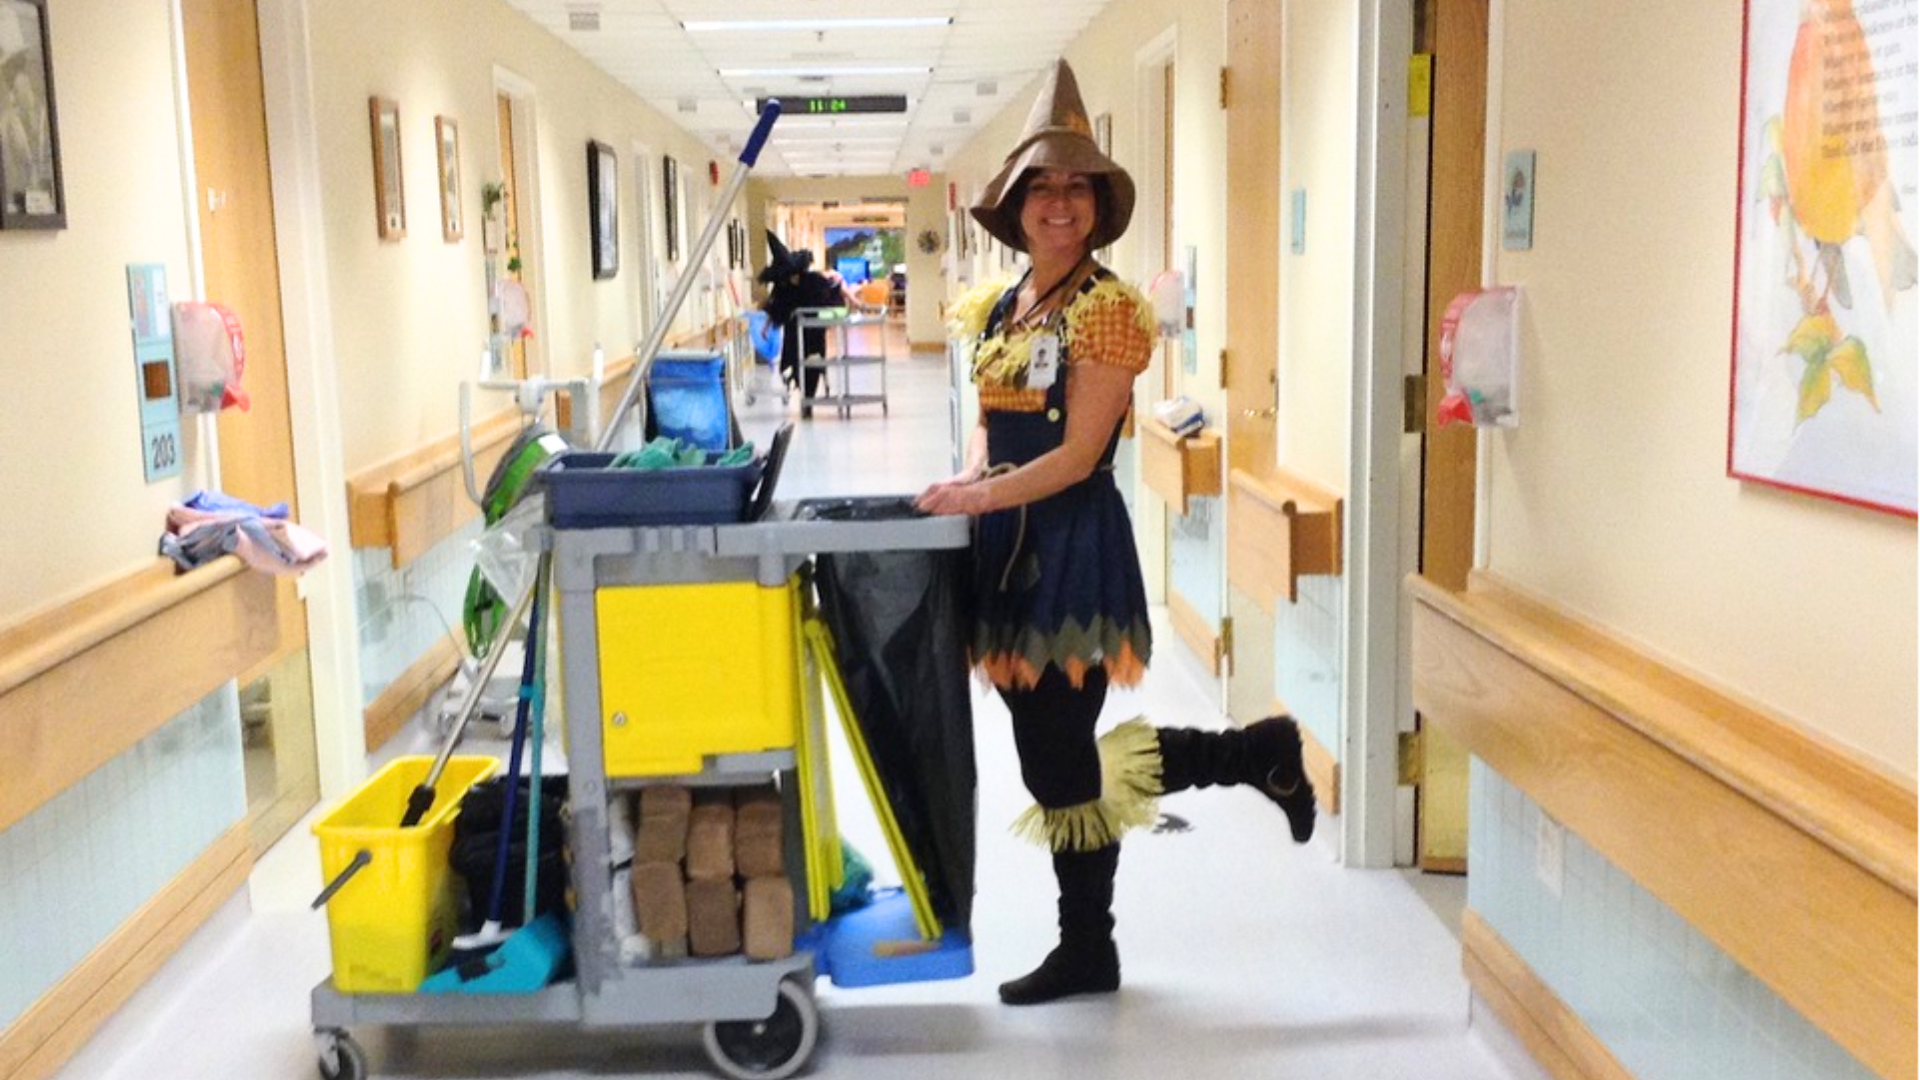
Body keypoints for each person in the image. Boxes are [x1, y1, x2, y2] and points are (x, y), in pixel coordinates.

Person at [914, 59, 1317, 1007]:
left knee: (1061, 760)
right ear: (1015, 205)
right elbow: (997, 421)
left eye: (1077, 186)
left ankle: (1091, 944)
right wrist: (974, 473)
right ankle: (1250, 755)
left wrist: (981, 497)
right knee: (1054, 756)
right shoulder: (1005, 305)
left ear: (1098, 203)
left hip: (1068, 555)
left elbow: (1080, 451)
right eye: (1043, 187)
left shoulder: (1107, 313)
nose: (1060, 203)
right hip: (1004, 552)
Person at [757, 232, 858, 415]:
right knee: (796, 364)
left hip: (814, 333)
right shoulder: (782, 287)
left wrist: (849, 305)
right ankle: (803, 395)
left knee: (813, 364)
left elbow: (833, 291)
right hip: (793, 335)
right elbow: (775, 306)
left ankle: (808, 399)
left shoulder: (814, 280)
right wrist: (766, 327)